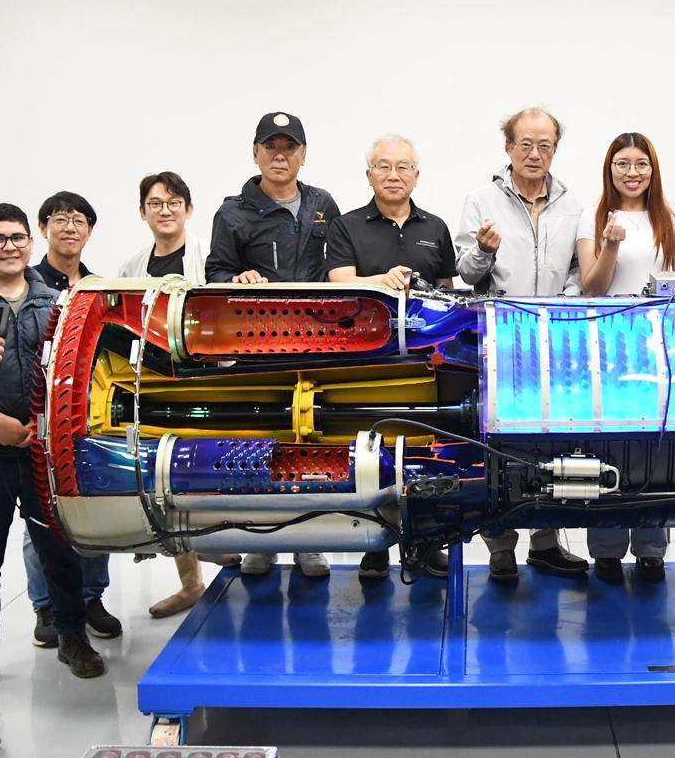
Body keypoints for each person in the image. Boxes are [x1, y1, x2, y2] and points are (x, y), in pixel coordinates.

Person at [0, 204, 106, 699]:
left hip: (43, 454)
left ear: (30, 244)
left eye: (17, 238)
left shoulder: (58, 303)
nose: (9, 247)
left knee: (60, 550)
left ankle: (72, 636)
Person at [454, 106, 588, 582]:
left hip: (556, 340)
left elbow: (580, 269)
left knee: (556, 439)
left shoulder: (573, 205)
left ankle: (546, 542)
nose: (534, 154)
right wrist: (483, 250)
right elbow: (466, 273)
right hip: (500, 341)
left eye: (544, 145)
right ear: (508, 147)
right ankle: (501, 546)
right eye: (525, 144)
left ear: (555, 149)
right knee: (498, 443)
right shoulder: (480, 200)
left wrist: (565, 304)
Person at [205, 111, 340, 579]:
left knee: (312, 438)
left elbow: (339, 264)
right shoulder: (232, 213)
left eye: (289, 148)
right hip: (257, 348)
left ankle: (307, 541)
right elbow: (216, 273)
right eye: (271, 147)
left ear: (303, 155)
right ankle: (260, 539)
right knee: (260, 439)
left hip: (318, 344)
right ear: (255, 153)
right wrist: (236, 278)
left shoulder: (323, 204)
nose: (280, 156)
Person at [325, 136, 455, 582]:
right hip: (368, 361)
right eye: (383, 166)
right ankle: (374, 547)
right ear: (369, 175)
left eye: (403, 167)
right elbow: (339, 281)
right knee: (370, 449)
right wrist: (382, 280)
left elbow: (447, 290)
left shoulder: (435, 227)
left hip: (426, 360)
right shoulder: (346, 226)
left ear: (416, 175)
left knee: (427, 448)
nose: (393, 175)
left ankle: (428, 543)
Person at [115, 171, 242, 616]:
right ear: (142, 212)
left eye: (173, 203)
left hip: (209, 379)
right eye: (155, 203)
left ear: (189, 209)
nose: (164, 211)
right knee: (167, 480)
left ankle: (223, 543)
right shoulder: (132, 268)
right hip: (158, 384)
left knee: (217, 467)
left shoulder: (209, 258)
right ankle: (191, 582)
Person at [575, 132, 675, 583]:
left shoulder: (670, 218)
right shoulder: (594, 217)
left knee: (655, 447)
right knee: (605, 444)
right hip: (608, 346)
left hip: (658, 346)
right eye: (622, 163)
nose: (632, 172)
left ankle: (651, 548)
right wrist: (610, 245)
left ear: (652, 170)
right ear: (610, 170)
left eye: (641, 164)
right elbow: (593, 288)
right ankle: (605, 549)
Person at [23, 191, 120, 645]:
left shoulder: (97, 287)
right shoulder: (28, 286)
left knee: (93, 508)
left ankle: (90, 598)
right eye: (60, 219)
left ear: (89, 231)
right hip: (42, 420)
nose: (70, 228)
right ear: (44, 228)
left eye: (80, 220)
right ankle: (46, 606)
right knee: (43, 516)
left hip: (88, 418)